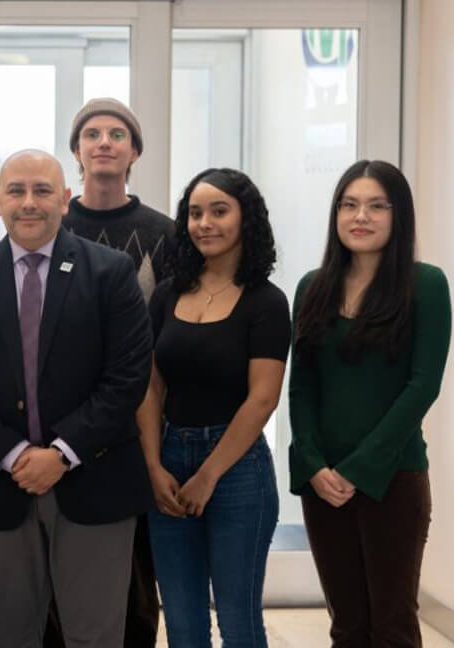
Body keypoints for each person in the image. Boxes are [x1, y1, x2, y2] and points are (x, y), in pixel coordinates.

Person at [0, 149, 155, 647]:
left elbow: (126, 377)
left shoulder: (111, 272)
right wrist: (14, 456)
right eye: (16, 191)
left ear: (65, 199)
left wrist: (61, 454)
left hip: (94, 480)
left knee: (95, 636)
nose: (28, 203)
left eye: (42, 190)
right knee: (9, 635)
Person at [289, 160, 450, 646]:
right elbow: (302, 387)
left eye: (377, 205)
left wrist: (358, 469)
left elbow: (423, 386)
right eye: (349, 204)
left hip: (392, 478)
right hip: (323, 482)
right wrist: (314, 464)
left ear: (399, 216)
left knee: (393, 626)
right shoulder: (312, 287)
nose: (361, 216)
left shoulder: (426, 284)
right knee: (347, 625)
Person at [139, 168, 289, 648]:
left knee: (238, 622)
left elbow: (262, 398)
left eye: (219, 211)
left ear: (247, 219)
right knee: (182, 626)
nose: (204, 223)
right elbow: (151, 387)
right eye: (195, 213)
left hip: (238, 469)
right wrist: (152, 464)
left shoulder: (266, 301)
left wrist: (208, 475)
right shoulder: (166, 294)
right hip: (168, 460)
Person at [44, 97, 173, 648]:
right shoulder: (47, 223)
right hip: (58, 429)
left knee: (135, 578)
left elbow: (174, 330)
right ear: (76, 151)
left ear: (134, 152)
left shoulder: (166, 234)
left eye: (117, 134)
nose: (103, 142)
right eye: (91, 133)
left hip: (139, 425)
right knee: (54, 581)